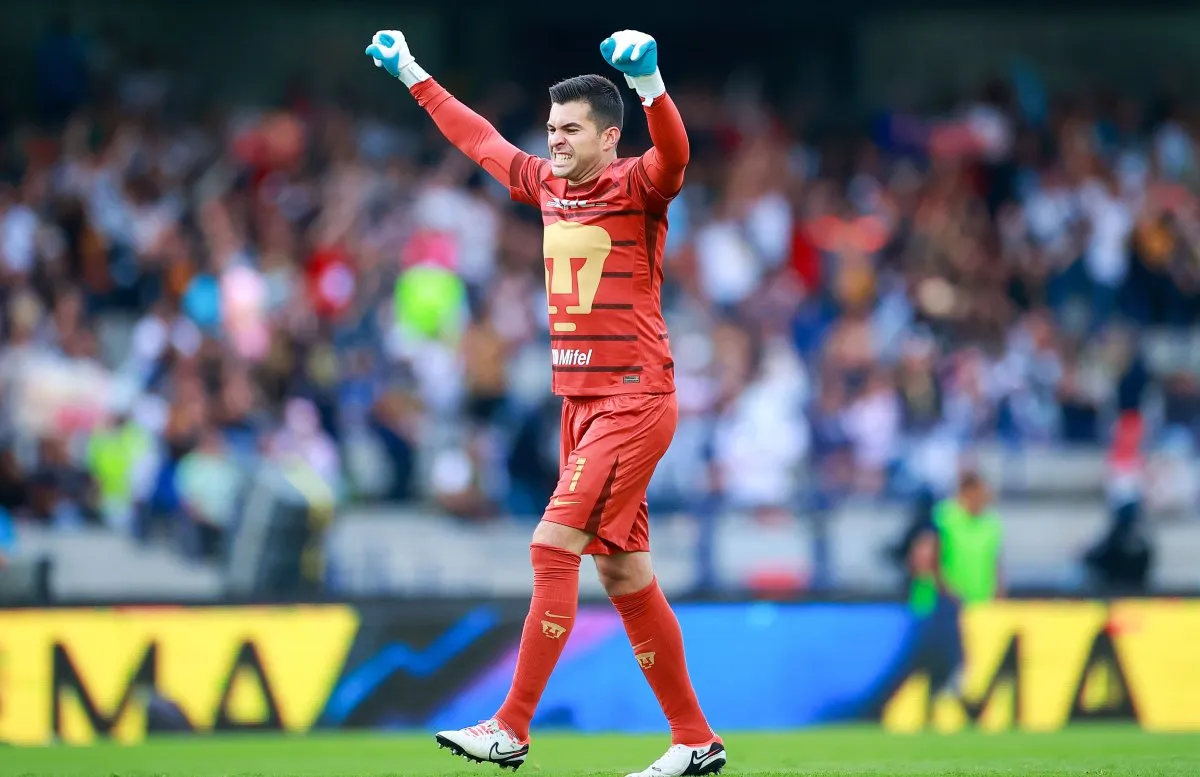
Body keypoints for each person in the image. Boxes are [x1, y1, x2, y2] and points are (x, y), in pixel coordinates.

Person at [364, 28, 724, 777]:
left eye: (570, 129)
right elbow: (480, 141)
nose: (554, 140)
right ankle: (694, 740)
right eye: (551, 127)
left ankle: (512, 726)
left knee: (549, 544)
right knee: (623, 573)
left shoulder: (637, 185)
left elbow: (677, 158)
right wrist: (412, 72)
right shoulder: (546, 185)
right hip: (580, 404)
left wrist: (653, 80)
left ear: (609, 136)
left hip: (632, 396)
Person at [907, 470, 1003, 706]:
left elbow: (995, 561)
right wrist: (946, 590)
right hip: (940, 603)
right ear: (966, 492)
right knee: (939, 656)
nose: (984, 498)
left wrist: (998, 589)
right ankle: (946, 688)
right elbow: (926, 556)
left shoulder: (990, 523)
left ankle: (956, 690)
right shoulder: (943, 518)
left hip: (977, 605)